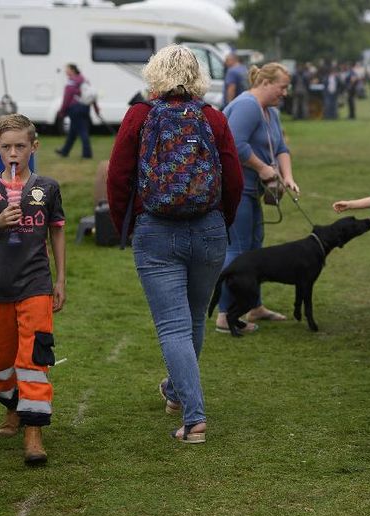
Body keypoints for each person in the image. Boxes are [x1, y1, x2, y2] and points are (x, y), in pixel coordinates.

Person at [106, 44, 244, 444]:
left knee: (173, 328)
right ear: (198, 76)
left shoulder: (140, 116)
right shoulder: (213, 118)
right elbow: (232, 177)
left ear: (154, 75)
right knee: (195, 318)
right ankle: (175, 391)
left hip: (156, 231)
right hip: (208, 230)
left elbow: (118, 176)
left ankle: (195, 417)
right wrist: (223, 219)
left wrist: (124, 225)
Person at [0, 113, 67, 465]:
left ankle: (34, 432)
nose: (13, 153)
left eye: (20, 146)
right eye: (6, 147)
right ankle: (12, 408)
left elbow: (56, 231)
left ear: (33, 147)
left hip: (35, 283)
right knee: (4, 363)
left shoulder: (47, 187)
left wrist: (60, 279)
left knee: (34, 357)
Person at [215, 62, 300, 333]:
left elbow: (282, 147)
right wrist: (264, 168)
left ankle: (253, 306)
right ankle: (225, 315)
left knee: (254, 249)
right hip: (236, 190)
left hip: (253, 191)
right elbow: (234, 143)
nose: (285, 93)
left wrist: (287, 177)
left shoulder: (269, 111)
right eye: (282, 87)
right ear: (265, 83)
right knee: (238, 252)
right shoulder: (247, 106)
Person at [55, 63, 92, 159]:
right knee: (73, 131)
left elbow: (67, 97)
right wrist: (95, 107)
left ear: (72, 70)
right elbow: (91, 94)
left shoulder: (72, 81)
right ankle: (64, 151)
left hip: (75, 108)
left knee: (82, 130)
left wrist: (62, 110)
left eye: (67, 69)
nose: (65, 71)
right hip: (85, 107)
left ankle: (87, 154)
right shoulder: (83, 79)